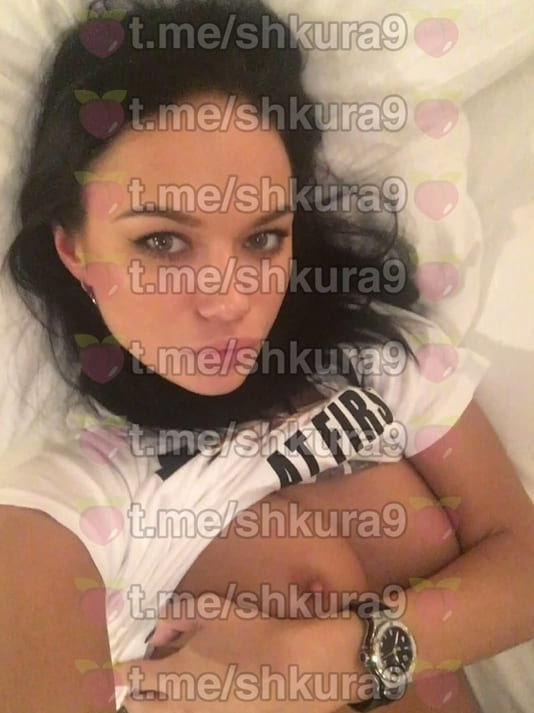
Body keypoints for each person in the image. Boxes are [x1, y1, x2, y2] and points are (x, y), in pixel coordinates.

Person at [1, 0, 533, 711]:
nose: (229, 299)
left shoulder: (375, 358)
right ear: (75, 251)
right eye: (162, 241)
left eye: (262, 238)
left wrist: (317, 660)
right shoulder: (69, 502)